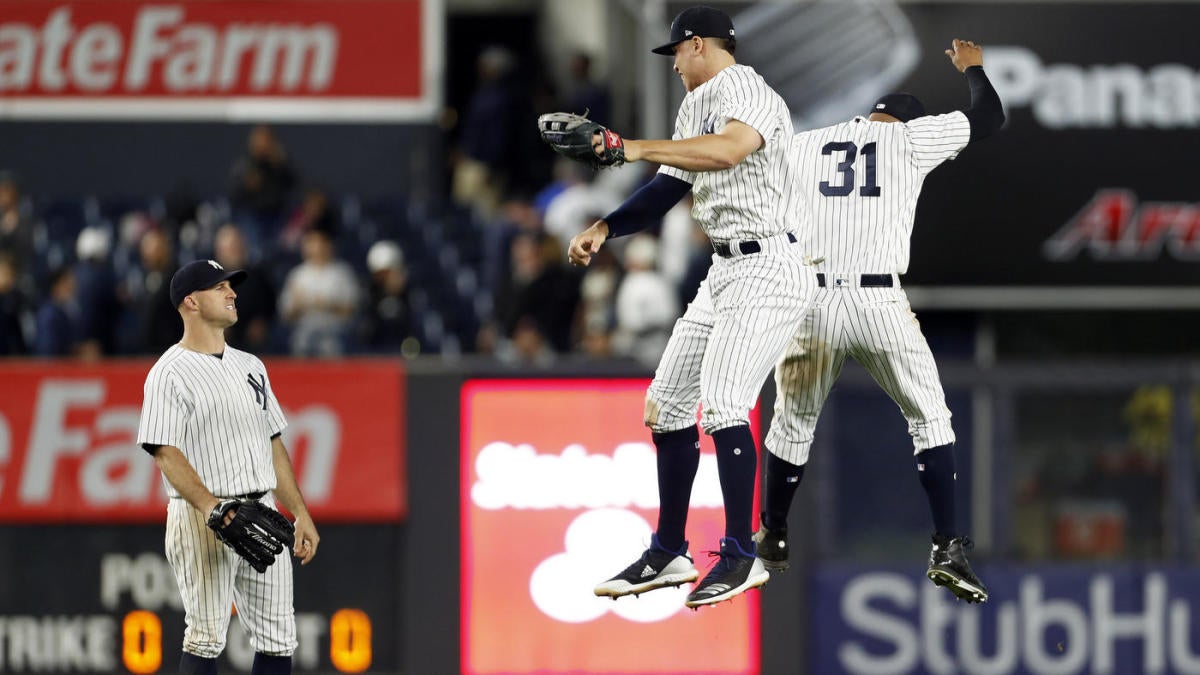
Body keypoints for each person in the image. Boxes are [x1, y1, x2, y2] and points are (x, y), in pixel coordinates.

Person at [574, 6, 816, 608]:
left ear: (700, 45)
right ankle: (669, 550)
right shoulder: (694, 106)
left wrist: (627, 146)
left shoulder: (746, 89)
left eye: (677, 52)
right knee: (667, 404)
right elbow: (669, 186)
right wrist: (607, 226)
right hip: (726, 270)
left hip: (769, 266)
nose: (675, 63)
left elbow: (731, 150)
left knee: (728, 403)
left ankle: (741, 553)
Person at [755, 39, 1005, 604]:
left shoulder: (806, 143)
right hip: (879, 301)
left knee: (792, 423)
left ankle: (772, 534)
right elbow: (989, 116)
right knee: (930, 418)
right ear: (905, 120)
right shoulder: (911, 139)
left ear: (870, 115)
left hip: (811, 299)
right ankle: (948, 545)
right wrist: (974, 70)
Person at [136, 259, 319, 675]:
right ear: (191, 302)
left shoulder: (252, 366)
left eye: (230, 286)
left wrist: (300, 512)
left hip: (263, 508)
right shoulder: (168, 372)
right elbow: (164, 451)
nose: (231, 293)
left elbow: (273, 444)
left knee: (278, 640)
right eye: (219, 287)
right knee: (206, 637)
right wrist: (211, 507)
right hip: (204, 517)